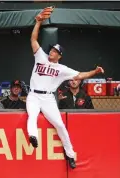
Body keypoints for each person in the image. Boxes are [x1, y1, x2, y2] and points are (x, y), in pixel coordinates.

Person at [26, 6, 104, 169]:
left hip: (47, 98)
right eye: (52, 50)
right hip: (33, 95)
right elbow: (33, 40)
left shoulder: (62, 69)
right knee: (32, 116)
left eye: (55, 51)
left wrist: (95, 71)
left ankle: (70, 155)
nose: (52, 52)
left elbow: (80, 75)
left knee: (60, 125)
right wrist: (38, 23)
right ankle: (33, 137)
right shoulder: (41, 57)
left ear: (59, 56)